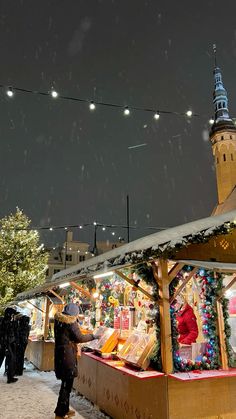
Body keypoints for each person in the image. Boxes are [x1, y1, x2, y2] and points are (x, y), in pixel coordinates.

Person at [54, 303, 98, 419]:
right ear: (74, 313)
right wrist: (93, 336)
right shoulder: (70, 322)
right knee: (66, 385)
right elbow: (79, 338)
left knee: (65, 383)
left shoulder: (59, 321)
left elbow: (68, 336)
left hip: (60, 354)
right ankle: (59, 413)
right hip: (67, 356)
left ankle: (65, 409)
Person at [3, 307, 18, 383]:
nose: (13, 316)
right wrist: (6, 345)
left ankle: (10, 378)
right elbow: (6, 335)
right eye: (12, 315)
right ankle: (10, 378)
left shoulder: (7, 321)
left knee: (11, 361)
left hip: (7, 344)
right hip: (5, 345)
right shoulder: (6, 322)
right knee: (10, 360)